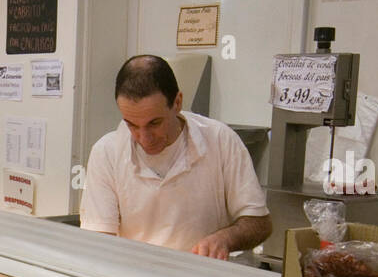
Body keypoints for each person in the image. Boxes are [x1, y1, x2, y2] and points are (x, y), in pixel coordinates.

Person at [80, 55, 272, 260]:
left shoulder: (220, 140)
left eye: (154, 123)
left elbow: (259, 224)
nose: (144, 139)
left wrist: (225, 238)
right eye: (132, 125)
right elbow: (98, 243)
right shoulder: (107, 152)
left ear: (177, 102)